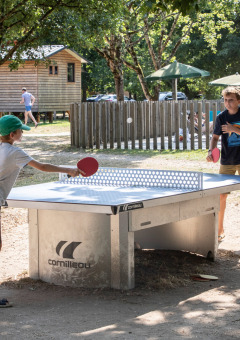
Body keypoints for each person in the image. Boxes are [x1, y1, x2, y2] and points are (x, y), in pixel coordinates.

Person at [0, 115, 84, 307]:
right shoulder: (14, 152)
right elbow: (42, 166)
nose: (22, 133)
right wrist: (69, 170)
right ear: (13, 134)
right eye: (20, 130)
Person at [206, 86, 240, 242]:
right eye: (225, 100)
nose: (227, 103)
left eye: (231, 100)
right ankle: (219, 229)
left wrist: (235, 129)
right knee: (221, 196)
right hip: (227, 161)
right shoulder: (221, 117)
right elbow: (214, 138)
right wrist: (210, 151)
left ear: (238, 101)